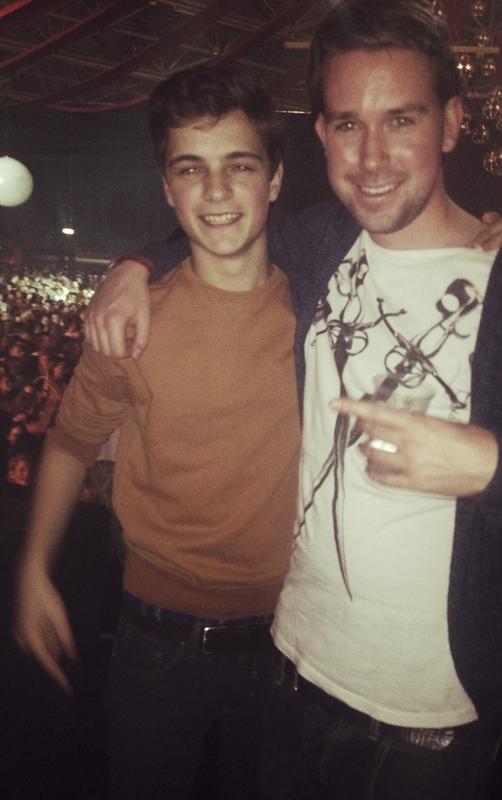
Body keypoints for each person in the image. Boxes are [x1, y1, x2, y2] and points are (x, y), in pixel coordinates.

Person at [84, 2, 502, 799]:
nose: (372, 156)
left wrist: (493, 469)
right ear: (321, 133)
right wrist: (133, 265)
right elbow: (219, 230)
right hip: (289, 672)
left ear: (451, 123)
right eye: (349, 125)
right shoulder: (317, 245)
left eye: (401, 120)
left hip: (432, 725)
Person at [14, 64, 299, 800]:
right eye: (190, 169)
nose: (215, 191)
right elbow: (72, 441)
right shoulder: (131, 321)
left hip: (296, 640)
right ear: (168, 189)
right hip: (155, 641)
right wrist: (34, 570)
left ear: (274, 179)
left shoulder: (323, 308)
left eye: (240, 166)